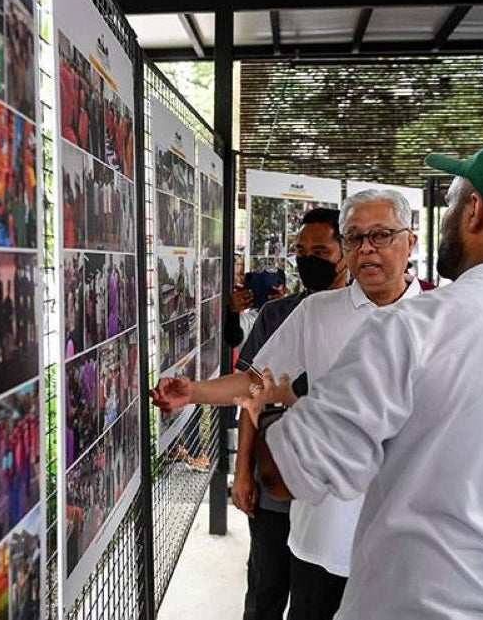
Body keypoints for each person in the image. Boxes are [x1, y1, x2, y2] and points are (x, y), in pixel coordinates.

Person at [239, 136, 483, 619]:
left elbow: (284, 473)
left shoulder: (419, 327)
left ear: (475, 210)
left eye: (450, 203)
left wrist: (274, 407)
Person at [153, 193, 422, 620]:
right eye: (354, 238)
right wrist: (195, 391)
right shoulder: (317, 312)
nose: (367, 248)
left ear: (411, 241)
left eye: (381, 235)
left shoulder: (442, 319)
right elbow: (255, 379)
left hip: (405, 542)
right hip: (323, 532)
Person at [234, 207, 348, 620]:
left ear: (345, 251)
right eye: (301, 250)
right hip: (274, 483)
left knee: (316, 602)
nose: (307, 259)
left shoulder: (365, 316)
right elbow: (250, 397)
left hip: (329, 495)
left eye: (320, 250)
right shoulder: (276, 315)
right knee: (265, 591)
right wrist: (243, 471)